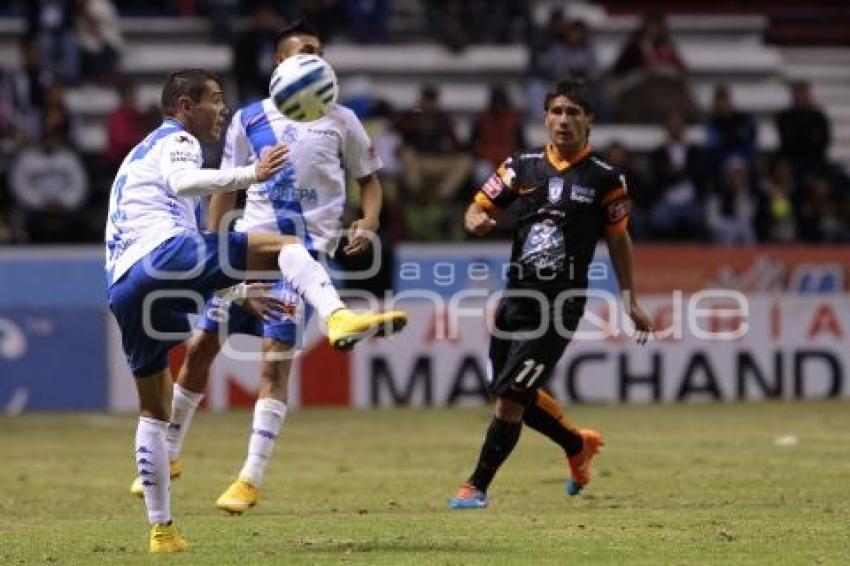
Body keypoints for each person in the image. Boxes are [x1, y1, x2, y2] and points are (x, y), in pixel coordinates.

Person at [105, 68, 406, 553]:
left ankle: (162, 530)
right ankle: (335, 314)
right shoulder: (178, 140)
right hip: (165, 252)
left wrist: (236, 285)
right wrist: (253, 173)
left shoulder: (134, 155)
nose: (221, 109)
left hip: (122, 283)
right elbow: (186, 183)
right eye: (213, 100)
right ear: (185, 106)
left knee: (152, 410)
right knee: (286, 245)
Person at [449, 79, 654, 509]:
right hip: (515, 300)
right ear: (545, 118)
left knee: (509, 399)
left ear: (589, 121)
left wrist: (630, 297)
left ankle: (476, 486)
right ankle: (576, 445)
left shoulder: (605, 178)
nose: (564, 120)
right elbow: (477, 208)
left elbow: (619, 239)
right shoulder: (521, 166)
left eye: (574, 112)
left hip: (559, 307)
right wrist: (474, 222)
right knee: (507, 390)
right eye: (557, 112)